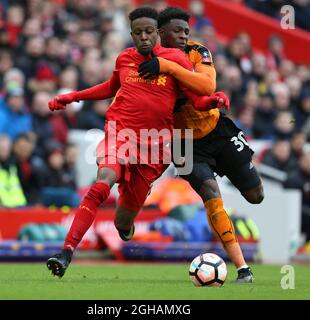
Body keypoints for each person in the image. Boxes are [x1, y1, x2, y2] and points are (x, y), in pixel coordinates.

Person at [46, 7, 227, 278]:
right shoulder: (125, 58)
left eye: (149, 31)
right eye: (138, 32)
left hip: (154, 148)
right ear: (131, 34)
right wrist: (73, 96)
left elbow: (196, 97)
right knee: (101, 183)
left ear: (158, 33)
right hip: (120, 134)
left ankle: (125, 227)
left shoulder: (175, 58)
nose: (143, 37)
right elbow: (110, 87)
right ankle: (66, 252)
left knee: (123, 220)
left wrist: (213, 100)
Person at [137, 7, 264, 283]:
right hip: (183, 146)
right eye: (178, 31)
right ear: (160, 33)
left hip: (216, 129)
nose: (184, 35)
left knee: (256, 195)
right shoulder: (146, 63)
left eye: (186, 31)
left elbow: (207, 86)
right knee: (211, 196)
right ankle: (243, 268)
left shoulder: (197, 51)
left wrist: (168, 67)